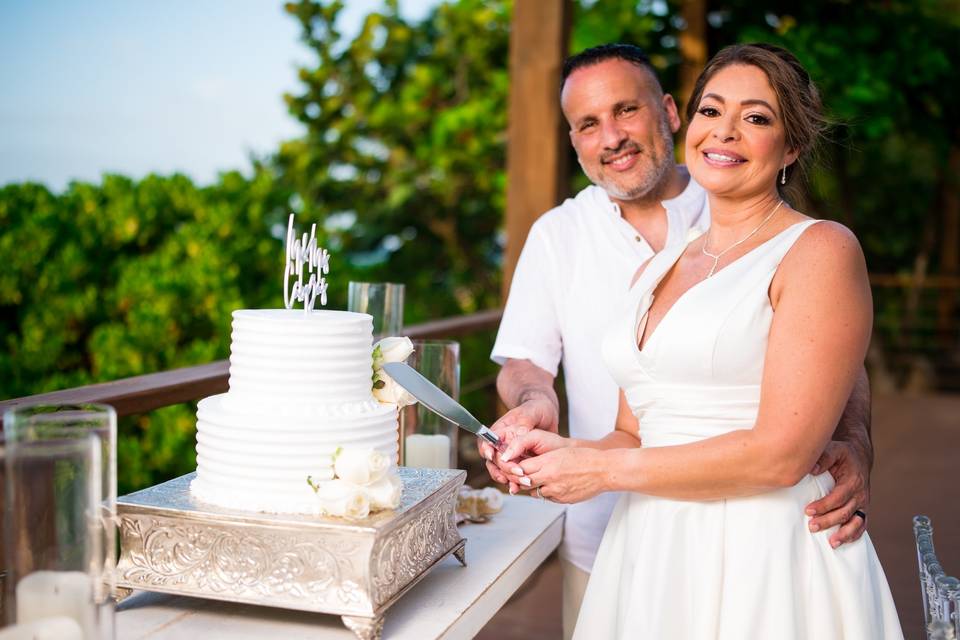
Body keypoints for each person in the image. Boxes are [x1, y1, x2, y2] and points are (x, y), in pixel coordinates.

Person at [497, 43, 902, 638]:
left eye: (757, 118)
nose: (727, 131)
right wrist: (552, 452)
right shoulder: (657, 269)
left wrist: (857, 440)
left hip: (762, 552)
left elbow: (783, 451)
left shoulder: (821, 250)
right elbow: (632, 433)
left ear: (791, 146)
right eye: (713, 110)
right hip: (646, 546)